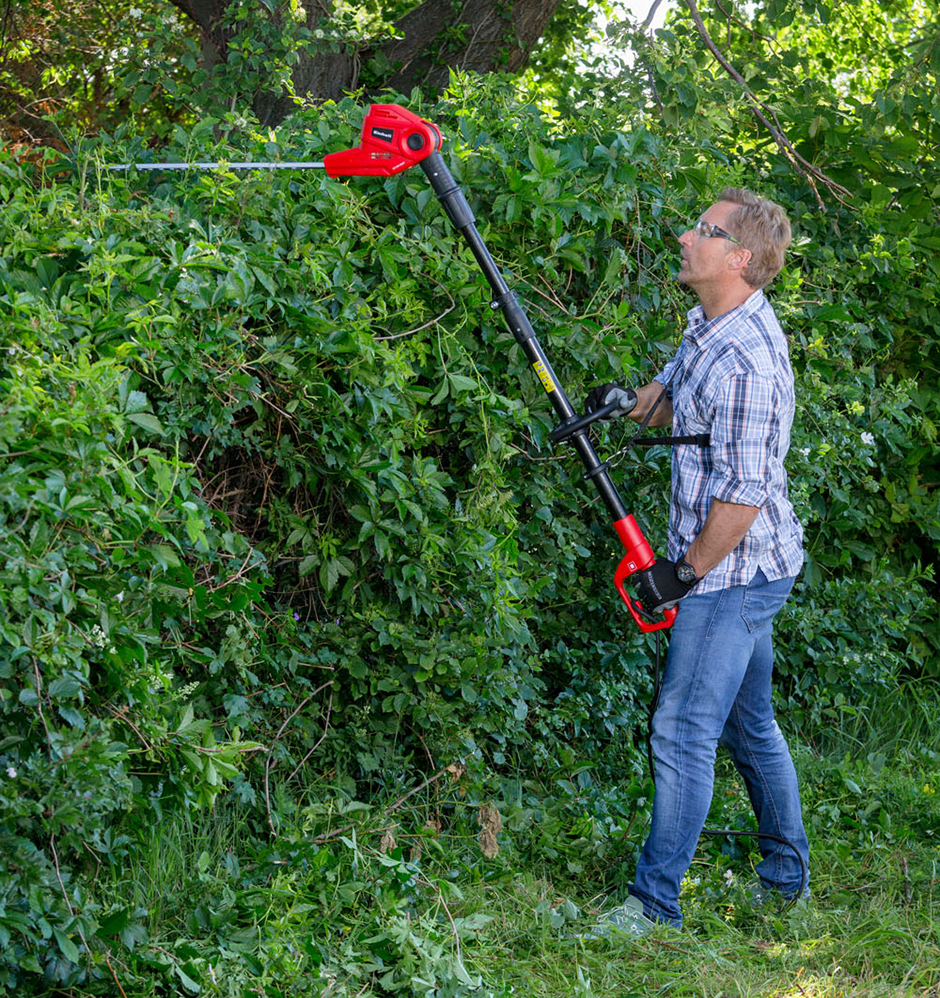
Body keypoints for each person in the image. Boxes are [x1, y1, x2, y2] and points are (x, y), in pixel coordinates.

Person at [583, 187, 809, 934]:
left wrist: (682, 575)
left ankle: (653, 907)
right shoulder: (711, 325)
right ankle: (787, 879)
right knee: (750, 728)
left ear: (737, 258)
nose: (687, 236)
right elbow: (678, 402)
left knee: (683, 729)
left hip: (734, 572)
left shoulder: (747, 359)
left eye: (703, 230)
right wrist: (629, 402)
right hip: (741, 565)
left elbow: (742, 498)